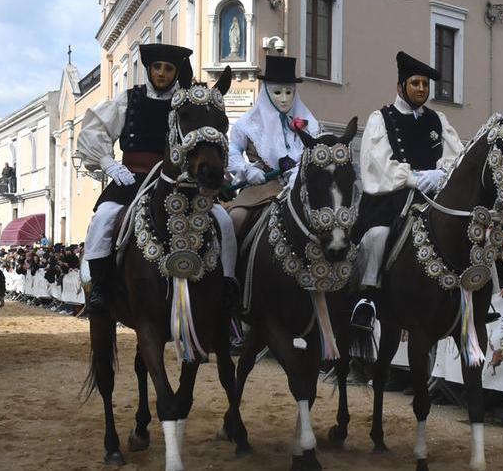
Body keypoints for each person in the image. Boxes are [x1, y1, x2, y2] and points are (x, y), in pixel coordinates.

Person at [76, 43, 239, 315]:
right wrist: (109, 164)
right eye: (157, 68)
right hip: (132, 178)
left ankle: (227, 285)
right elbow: (96, 131)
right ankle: (99, 289)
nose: (162, 74)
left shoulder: (187, 104)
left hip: (177, 182)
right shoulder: (129, 99)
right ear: (149, 69)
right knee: (103, 218)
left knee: (223, 220)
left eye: (169, 68)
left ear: (176, 73)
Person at [350, 51, 464, 331]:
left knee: (464, 229)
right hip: (391, 198)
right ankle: (368, 296)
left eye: (425, 84)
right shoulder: (381, 118)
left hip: (433, 196)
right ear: (400, 86)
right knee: (378, 235)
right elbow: (377, 163)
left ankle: (471, 294)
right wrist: (412, 178)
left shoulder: (439, 120)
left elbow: (456, 156)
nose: (422, 89)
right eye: (416, 83)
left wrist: (441, 174)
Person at [226, 55, 320, 237]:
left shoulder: (311, 124)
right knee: (235, 219)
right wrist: (246, 170)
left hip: (303, 188)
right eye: (277, 92)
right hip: (261, 188)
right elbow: (232, 150)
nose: (284, 99)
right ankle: (228, 266)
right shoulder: (248, 123)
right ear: (267, 93)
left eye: (289, 92)